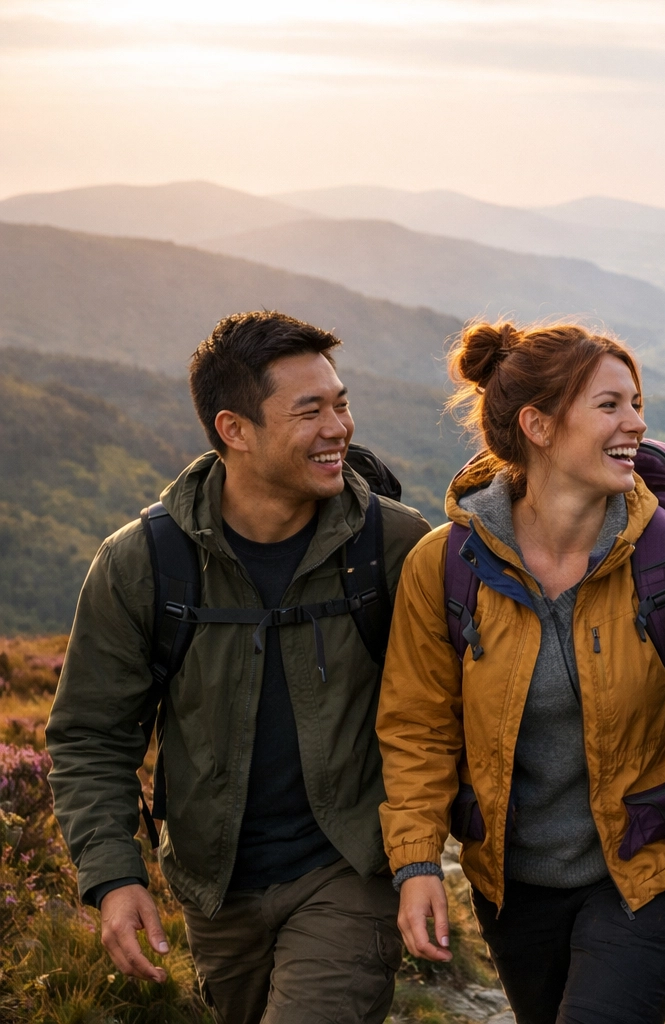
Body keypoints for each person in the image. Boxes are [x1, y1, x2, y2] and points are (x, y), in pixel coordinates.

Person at [47, 312, 431, 1023]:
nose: (339, 427)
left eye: (341, 403)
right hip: (214, 886)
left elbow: (446, 714)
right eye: (310, 410)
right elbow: (91, 735)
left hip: (350, 869)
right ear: (235, 429)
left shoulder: (396, 547)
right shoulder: (143, 563)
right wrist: (112, 876)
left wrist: (418, 860)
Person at [377, 321, 665, 1024]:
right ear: (538, 425)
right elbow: (417, 729)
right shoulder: (446, 567)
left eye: (635, 403)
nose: (636, 423)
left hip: (650, 871)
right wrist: (418, 862)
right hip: (514, 889)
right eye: (610, 406)